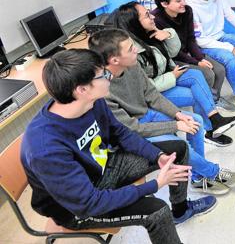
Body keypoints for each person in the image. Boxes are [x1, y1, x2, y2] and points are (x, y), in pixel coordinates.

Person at [21, 49, 216, 244]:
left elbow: (121, 133)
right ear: (82, 89)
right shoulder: (45, 147)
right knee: (156, 211)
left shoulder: (92, 101)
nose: (109, 77)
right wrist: (155, 184)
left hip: (105, 168)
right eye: (103, 75)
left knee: (177, 150)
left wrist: (157, 156)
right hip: (77, 208)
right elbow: (90, 203)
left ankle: (181, 211)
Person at [88, 29, 235, 196]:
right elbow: (133, 130)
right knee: (180, 146)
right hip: (131, 132)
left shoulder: (132, 65)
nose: (136, 50)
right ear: (114, 60)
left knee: (195, 122)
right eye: (130, 48)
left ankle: (198, 179)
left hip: (146, 114)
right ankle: (213, 172)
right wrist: (175, 125)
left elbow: (152, 95)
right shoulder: (102, 91)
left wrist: (178, 114)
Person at [114, 1, 235, 146]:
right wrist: (171, 76)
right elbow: (145, 88)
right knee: (197, 95)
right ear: (134, 23)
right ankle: (210, 129)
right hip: (154, 91)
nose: (152, 17)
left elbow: (173, 52)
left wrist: (168, 34)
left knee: (197, 76)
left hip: (166, 75)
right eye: (147, 15)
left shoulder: (149, 34)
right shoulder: (131, 53)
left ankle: (215, 120)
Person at [150, 0, 235, 112]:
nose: (183, 3)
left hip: (188, 52)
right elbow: (170, 52)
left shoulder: (187, 11)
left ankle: (214, 99)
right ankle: (205, 106)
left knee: (219, 70)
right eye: (178, 0)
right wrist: (196, 62)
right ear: (164, 4)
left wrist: (200, 58)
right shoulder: (156, 20)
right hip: (173, 58)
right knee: (208, 74)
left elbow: (191, 39)